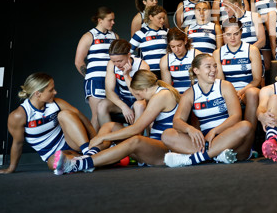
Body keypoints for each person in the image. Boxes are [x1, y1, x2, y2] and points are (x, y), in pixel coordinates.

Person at [52, 70, 181, 174]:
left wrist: (103, 137)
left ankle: (78, 164)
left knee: (136, 139)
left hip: (164, 152)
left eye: (137, 94)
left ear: (144, 89)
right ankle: (89, 155)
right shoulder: (155, 95)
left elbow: (137, 129)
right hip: (151, 149)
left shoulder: (162, 95)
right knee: (109, 126)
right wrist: (105, 135)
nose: (138, 98)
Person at [0, 73, 100, 175]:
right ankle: (85, 159)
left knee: (65, 114)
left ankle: (88, 153)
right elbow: (18, 143)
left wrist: (96, 140)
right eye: (51, 90)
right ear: (38, 93)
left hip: (74, 143)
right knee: (53, 162)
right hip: (54, 155)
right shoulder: (19, 115)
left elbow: (82, 118)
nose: (55, 92)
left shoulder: (56, 103)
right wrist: (11, 168)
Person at [161, 54, 254, 167]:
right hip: (205, 143)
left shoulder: (225, 86)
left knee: (245, 126)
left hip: (230, 138)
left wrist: (215, 131)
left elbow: (236, 116)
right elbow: (177, 121)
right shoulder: (190, 93)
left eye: (215, 66)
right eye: (208, 66)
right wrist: (190, 129)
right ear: (196, 70)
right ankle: (216, 156)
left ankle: (195, 159)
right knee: (167, 135)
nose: (213, 70)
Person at [214, 18, 262, 151]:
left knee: (253, 93)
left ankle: (249, 143)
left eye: (235, 33)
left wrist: (241, 92)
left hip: (247, 89)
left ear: (241, 33)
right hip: (228, 92)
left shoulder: (251, 50)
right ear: (223, 34)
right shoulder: (218, 53)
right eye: (228, 34)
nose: (232, 37)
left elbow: (257, 79)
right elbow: (221, 82)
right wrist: (232, 94)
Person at [74, 6, 118, 130]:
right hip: (95, 81)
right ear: (100, 20)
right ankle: (93, 146)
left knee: (110, 113)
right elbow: (78, 62)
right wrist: (91, 77)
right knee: (97, 115)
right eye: (110, 20)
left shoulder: (114, 36)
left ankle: (110, 144)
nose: (113, 22)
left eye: (113, 19)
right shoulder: (89, 36)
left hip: (112, 81)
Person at [97, 39, 149, 127]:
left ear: (129, 55)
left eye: (120, 61)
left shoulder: (142, 65)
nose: (117, 65)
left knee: (138, 105)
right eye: (114, 61)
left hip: (140, 100)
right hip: (124, 100)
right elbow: (109, 92)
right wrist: (123, 106)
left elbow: (139, 97)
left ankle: (135, 139)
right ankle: (108, 137)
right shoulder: (111, 64)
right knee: (102, 105)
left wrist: (126, 76)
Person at [129, 4, 168, 79]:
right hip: (149, 72)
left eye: (163, 18)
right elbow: (127, 52)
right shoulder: (140, 33)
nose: (162, 21)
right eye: (159, 18)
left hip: (165, 71)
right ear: (151, 17)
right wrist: (139, 63)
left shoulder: (167, 32)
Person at [159, 27, 201, 94]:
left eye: (179, 45)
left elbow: (204, 81)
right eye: (173, 47)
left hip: (196, 94)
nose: (176, 50)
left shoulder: (196, 55)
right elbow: (168, 87)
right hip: (177, 96)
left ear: (185, 41)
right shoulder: (165, 60)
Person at [250, 0, 276, 73]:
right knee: (267, 65)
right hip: (263, 33)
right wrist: (264, 18)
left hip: (276, 31)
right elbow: (253, 17)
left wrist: (264, 17)